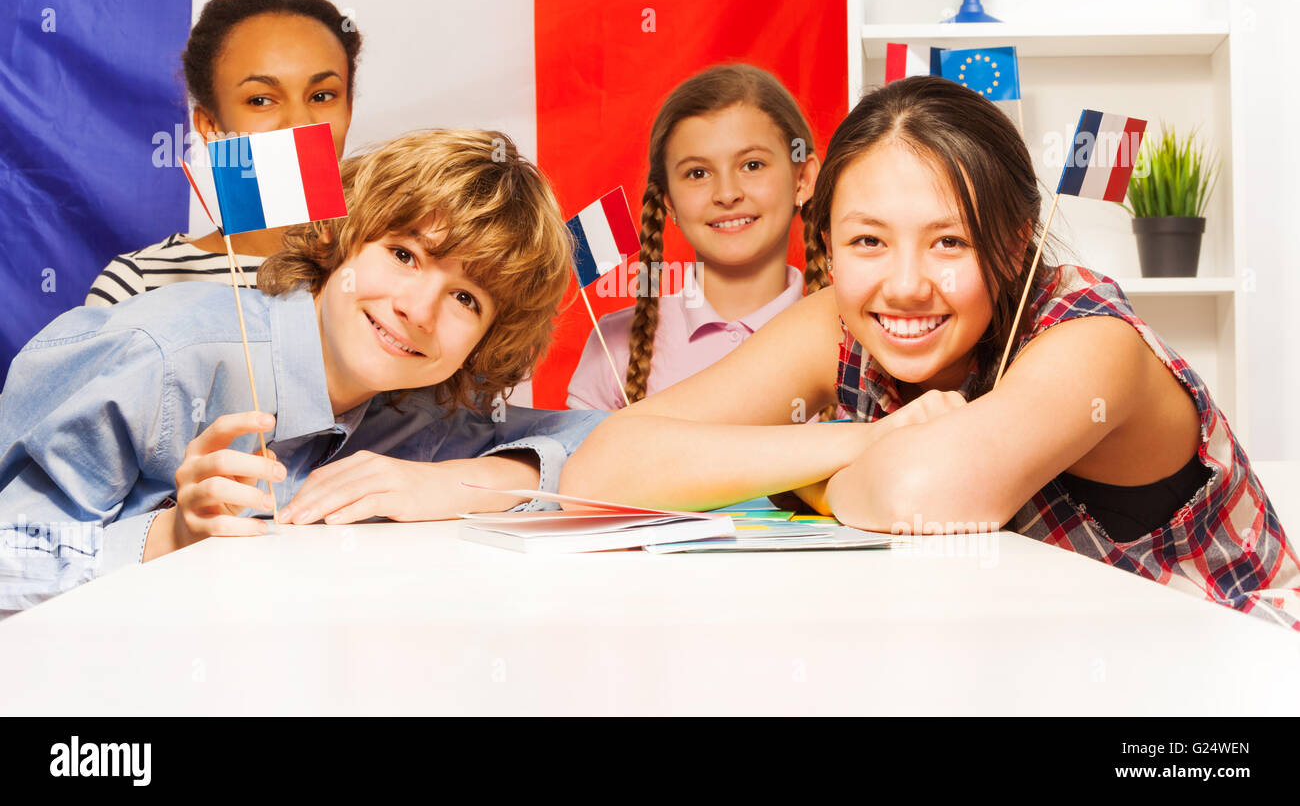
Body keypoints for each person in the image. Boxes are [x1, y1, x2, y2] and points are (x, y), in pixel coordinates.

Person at [561, 76, 1300, 630]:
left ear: (1016, 243)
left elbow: (920, 496)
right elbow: (601, 468)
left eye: (950, 241)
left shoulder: (1090, 339)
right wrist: (867, 440)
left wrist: (803, 479)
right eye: (868, 241)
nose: (906, 285)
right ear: (826, 242)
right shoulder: (839, 323)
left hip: (1223, 686)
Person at [1, 129, 608, 614]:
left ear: (483, 342)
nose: (418, 312)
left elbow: (602, 442)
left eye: (466, 299)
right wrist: (171, 538)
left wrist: (454, 482)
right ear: (336, 242)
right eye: (404, 255)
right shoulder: (158, 355)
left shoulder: (419, 410)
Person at [84, 0, 359, 305]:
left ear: (349, 109)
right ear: (210, 126)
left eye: (322, 96)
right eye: (260, 100)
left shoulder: (404, 266)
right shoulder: (139, 285)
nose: (300, 123)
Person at [566, 64, 821, 412]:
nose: (727, 193)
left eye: (752, 165)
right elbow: (579, 463)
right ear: (669, 202)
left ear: (803, 180)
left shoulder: (850, 341)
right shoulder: (614, 348)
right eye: (697, 173)